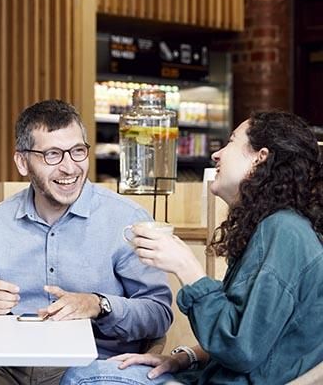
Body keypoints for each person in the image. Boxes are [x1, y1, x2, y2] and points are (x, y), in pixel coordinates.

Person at [60, 110, 323, 385]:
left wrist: (187, 268)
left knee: (83, 377)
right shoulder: (278, 227)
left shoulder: (284, 231)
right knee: (87, 372)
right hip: (206, 376)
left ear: (260, 158)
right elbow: (254, 337)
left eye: (231, 142)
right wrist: (182, 358)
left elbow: (241, 349)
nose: (217, 154)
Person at [0, 99, 173, 385]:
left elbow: (158, 313)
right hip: (7, 369)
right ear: (22, 161)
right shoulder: (0, 220)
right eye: (53, 155)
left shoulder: (126, 219)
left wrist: (99, 305)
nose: (70, 168)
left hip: (91, 369)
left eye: (78, 151)